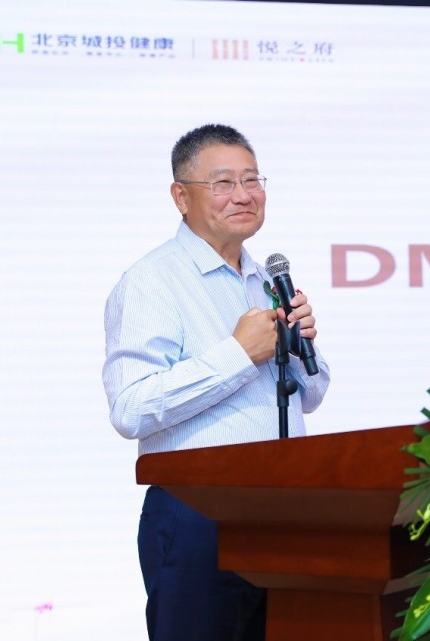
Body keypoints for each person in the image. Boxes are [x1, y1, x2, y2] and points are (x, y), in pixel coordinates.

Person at [102, 124, 331, 641]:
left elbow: (311, 396)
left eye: (252, 180)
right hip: (198, 516)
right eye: (223, 183)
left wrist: (301, 348)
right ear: (181, 197)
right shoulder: (152, 280)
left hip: (287, 513)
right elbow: (131, 408)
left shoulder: (267, 280)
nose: (244, 195)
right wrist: (239, 354)